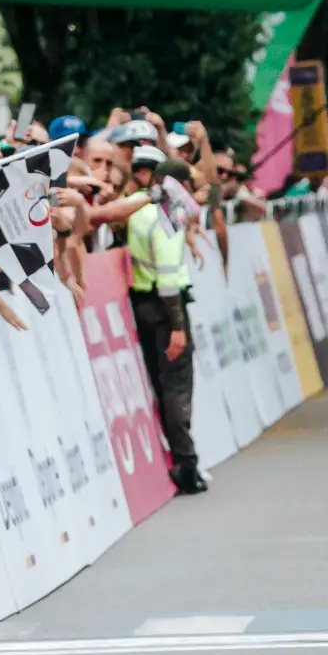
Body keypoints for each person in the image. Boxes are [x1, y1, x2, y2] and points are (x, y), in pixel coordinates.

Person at [126, 145, 204, 495]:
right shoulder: (166, 216)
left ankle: (181, 459)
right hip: (166, 309)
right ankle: (186, 465)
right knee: (176, 387)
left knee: (164, 385)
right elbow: (169, 279)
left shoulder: (137, 208)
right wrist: (177, 327)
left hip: (143, 304)